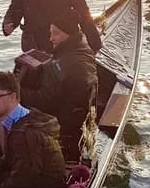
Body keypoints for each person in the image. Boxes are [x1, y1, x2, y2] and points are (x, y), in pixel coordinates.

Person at [20, 9, 97, 159]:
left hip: (64, 124)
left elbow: (46, 101)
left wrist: (17, 92)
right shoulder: (82, 50)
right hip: (78, 118)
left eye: (55, 33)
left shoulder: (67, 64)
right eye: (50, 33)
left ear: (67, 33)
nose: (51, 39)